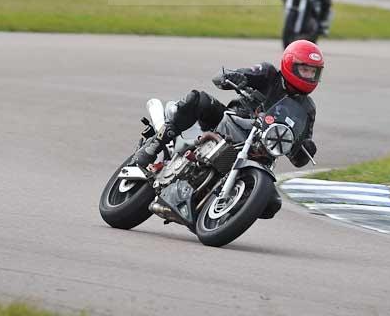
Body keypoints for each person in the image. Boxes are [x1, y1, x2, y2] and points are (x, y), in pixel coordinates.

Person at [134, 40, 324, 219]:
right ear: (290, 65)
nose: (308, 76)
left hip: (259, 151)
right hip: (230, 124)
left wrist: (305, 148)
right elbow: (227, 77)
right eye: (304, 70)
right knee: (199, 99)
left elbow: (297, 151)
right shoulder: (268, 74)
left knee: (270, 204)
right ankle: (155, 144)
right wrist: (234, 77)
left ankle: (216, 209)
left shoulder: (307, 109)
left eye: (313, 72)